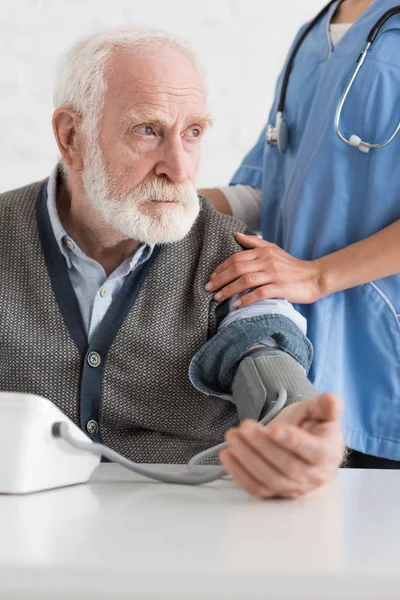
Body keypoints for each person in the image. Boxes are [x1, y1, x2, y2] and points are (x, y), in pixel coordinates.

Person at [0, 27, 344, 499]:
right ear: (71, 136)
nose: (180, 170)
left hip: (182, 531)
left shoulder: (227, 248)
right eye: (148, 131)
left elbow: (262, 347)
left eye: (193, 133)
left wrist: (295, 428)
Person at [201, 0, 400, 468]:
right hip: (302, 359)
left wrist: (315, 276)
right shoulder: (311, 37)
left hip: (382, 357)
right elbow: (267, 190)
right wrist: (150, 200)